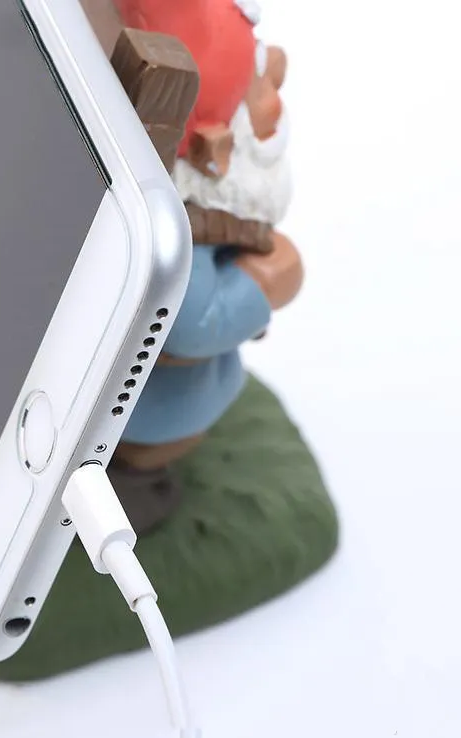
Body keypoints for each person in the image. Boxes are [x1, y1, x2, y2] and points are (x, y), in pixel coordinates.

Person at [107, 0, 305, 531]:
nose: (277, 70)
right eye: (258, 83)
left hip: (160, 398)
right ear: (213, 151)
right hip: (149, 415)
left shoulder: (207, 210)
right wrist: (267, 281)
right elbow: (191, 324)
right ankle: (129, 486)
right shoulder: (174, 240)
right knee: (137, 459)